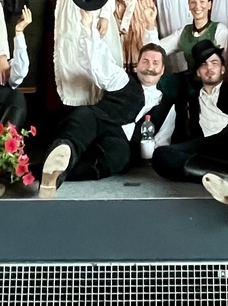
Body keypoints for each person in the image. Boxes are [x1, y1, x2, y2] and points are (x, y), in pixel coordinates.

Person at [40, 14, 174, 197]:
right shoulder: (121, 78)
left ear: (163, 69)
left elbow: (162, 141)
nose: (150, 67)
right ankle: (63, 151)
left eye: (155, 63)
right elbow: (98, 61)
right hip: (98, 120)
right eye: (145, 61)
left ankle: (49, 175)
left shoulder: (167, 105)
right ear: (137, 65)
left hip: (120, 142)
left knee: (118, 158)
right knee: (83, 118)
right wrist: (88, 29)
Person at [149, 43, 228, 225]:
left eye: (214, 63)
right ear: (198, 72)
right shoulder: (193, 100)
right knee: (161, 155)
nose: (209, 68)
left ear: (222, 69)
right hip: (212, 151)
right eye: (203, 65)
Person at [144, 0, 228, 75]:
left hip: (212, 79)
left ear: (209, 5)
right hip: (190, 80)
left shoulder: (219, 29)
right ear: (188, 5)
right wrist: (150, 24)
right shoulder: (183, 32)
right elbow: (155, 49)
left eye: (202, 2)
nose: (197, 6)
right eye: (193, 2)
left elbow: (224, 63)